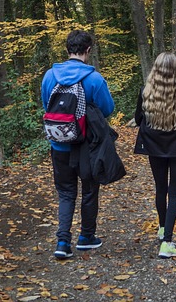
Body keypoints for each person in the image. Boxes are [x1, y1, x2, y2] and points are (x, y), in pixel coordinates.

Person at [41, 29, 115, 260]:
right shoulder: (94, 78)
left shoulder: (49, 76)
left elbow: (47, 105)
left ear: (66, 49)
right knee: (90, 190)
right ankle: (86, 237)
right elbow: (108, 108)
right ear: (88, 50)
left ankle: (63, 242)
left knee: (65, 192)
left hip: (59, 144)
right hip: (87, 145)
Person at [134, 52, 176, 258]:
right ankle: (167, 242)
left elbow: (137, 118)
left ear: (156, 70)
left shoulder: (146, 92)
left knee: (160, 188)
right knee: (174, 192)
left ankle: (162, 228)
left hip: (154, 148)